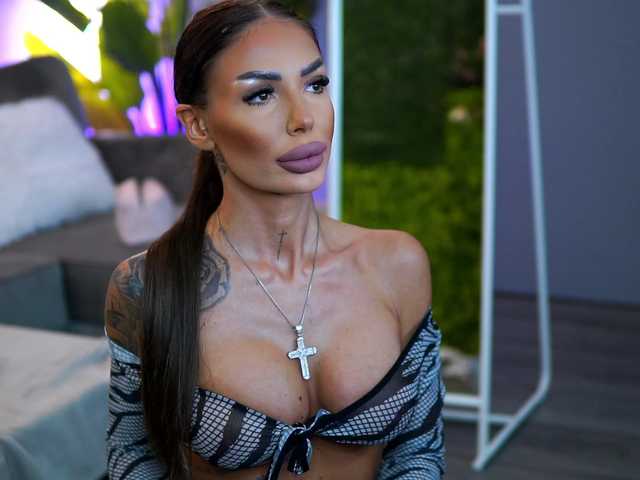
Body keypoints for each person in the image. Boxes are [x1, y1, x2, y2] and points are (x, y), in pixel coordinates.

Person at [104, 1, 446, 479]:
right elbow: (134, 461)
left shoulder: (396, 264)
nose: (304, 118)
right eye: (261, 94)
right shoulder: (147, 286)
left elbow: (418, 450)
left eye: (315, 84)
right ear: (198, 125)